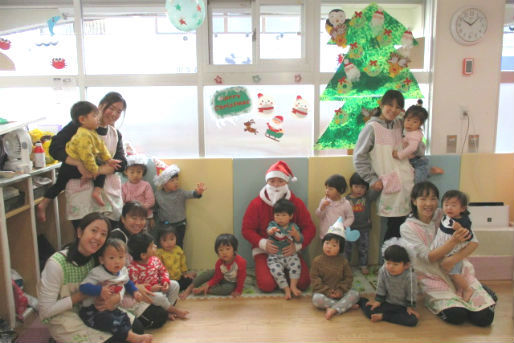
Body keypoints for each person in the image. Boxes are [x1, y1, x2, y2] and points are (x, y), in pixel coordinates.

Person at [38, 212, 147, 343]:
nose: (98, 237)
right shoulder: (56, 264)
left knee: (138, 328)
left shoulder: (98, 257)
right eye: (93, 231)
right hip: (65, 316)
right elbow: (45, 311)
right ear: (79, 232)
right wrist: (79, 296)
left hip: (95, 309)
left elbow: (119, 280)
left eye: (103, 234)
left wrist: (116, 298)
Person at [400, 181, 496, 326]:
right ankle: (479, 294)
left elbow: (473, 242)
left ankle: (480, 291)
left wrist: (453, 259)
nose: (429, 203)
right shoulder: (407, 227)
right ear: (414, 201)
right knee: (457, 316)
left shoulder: (445, 214)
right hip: (432, 276)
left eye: (433, 199)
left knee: (484, 319)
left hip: (458, 272)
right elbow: (429, 257)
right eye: (423, 199)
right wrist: (452, 241)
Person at [48, 92, 129, 229]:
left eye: (119, 111)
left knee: (108, 237)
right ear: (101, 106)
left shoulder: (115, 134)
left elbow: (122, 162)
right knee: (85, 235)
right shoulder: (79, 127)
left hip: (107, 192)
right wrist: (78, 164)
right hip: (82, 191)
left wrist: (99, 170)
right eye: (112, 108)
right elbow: (55, 148)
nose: (114, 114)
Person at [353, 90, 414, 252]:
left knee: (405, 226)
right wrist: (372, 180)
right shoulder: (372, 128)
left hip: (406, 182)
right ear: (382, 105)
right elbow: (359, 157)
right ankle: (390, 265)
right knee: (394, 227)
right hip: (388, 183)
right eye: (390, 105)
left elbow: (414, 133)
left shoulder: (399, 124)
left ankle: (398, 265)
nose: (393, 110)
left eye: (398, 107)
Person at [242, 160, 316, 292]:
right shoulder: (256, 204)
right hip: (264, 251)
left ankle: (286, 279)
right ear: (267, 182)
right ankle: (280, 278)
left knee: (304, 283)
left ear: (287, 182)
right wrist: (263, 243)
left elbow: (310, 228)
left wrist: (298, 246)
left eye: (280, 181)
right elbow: (247, 229)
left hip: (289, 249)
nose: (276, 185)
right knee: (267, 285)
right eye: (272, 181)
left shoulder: (296, 203)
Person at [78, 238, 152, 343]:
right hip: (92, 311)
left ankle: (129, 336)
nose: (117, 261)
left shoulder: (123, 271)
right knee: (110, 321)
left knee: (125, 318)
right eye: (112, 258)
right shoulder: (97, 273)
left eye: (121, 257)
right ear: (102, 260)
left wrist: (135, 292)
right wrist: (99, 290)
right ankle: (133, 337)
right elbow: (83, 287)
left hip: (111, 307)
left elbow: (127, 282)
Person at [358, 238, 419, 327]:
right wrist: (378, 301)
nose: (391, 267)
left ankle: (384, 316)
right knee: (370, 311)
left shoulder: (410, 275)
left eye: (395, 264)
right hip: (386, 302)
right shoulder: (383, 270)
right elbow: (381, 286)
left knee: (412, 320)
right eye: (388, 263)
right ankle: (361, 301)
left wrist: (410, 307)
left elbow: (412, 292)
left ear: (406, 265)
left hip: (402, 306)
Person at [127, 232, 188, 320]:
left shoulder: (155, 260)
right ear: (143, 255)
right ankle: (174, 311)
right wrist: (151, 289)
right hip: (148, 295)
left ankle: (168, 311)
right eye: (152, 246)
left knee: (175, 285)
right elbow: (135, 288)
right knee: (159, 297)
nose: (155, 246)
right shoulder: (132, 269)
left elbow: (163, 271)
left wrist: (165, 282)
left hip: (159, 287)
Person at [431, 190, 477, 301]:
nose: (449, 208)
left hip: (454, 253)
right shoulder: (446, 216)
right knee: (449, 273)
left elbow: (469, 237)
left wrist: (460, 229)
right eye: (446, 205)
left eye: (453, 205)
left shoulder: (463, 221)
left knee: (454, 273)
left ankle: (467, 288)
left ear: (462, 209)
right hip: (444, 250)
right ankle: (459, 289)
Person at [311, 223, 360, 320]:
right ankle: (344, 306)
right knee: (316, 300)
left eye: (334, 245)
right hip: (323, 294)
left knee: (355, 294)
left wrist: (340, 290)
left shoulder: (343, 262)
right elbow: (315, 279)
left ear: (340, 248)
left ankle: (334, 309)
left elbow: (348, 278)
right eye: (327, 243)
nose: (329, 247)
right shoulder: (317, 261)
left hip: (340, 294)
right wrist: (327, 291)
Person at [154, 164, 207, 248]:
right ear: (164, 183)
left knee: (178, 245)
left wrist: (198, 192)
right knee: (163, 245)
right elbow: (155, 208)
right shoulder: (158, 195)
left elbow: (191, 194)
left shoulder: (180, 193)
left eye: (177, 179)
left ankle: (180, 260)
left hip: (179, 224)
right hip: (164, 225)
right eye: (172, 180)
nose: (176, 182)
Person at [392, 100, 443, 184]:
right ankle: (429, 171)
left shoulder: (415, 134)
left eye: (415, 122)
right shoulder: (407, 131)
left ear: (420, 124)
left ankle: (429, 171)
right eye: (408, 120)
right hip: (411, 161)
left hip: (418, 162)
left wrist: (399, 154)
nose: (410, 124)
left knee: (418, 182)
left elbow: (412, 148)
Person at [266, 199, 303, 299]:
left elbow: (300, 240)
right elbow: (268, 232)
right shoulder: (273, 225)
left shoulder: (293, 226)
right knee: (276, 270)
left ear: (291, 216)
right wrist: (271, 231)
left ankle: (293, 286)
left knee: (296, 265)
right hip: (275, 256)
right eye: (277, 215)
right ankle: (286, 289)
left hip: (290, 255)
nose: (280, 218)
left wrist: (296, 234)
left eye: (283, 215)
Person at [344, 173, 379, 275]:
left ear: (366, 189)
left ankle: (363, 265)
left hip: (364, 229)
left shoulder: (367, 198)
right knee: (347, 249)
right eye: (356, 187)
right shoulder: (346, 199)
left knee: (363, 248)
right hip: (349, 229)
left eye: (362, 187)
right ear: (351, 187)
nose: (359, 190)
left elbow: (377, 190)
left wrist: (376, 182)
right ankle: (346, 266)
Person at [155, 224, 197, 299]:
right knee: (162, 290)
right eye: (164, 240)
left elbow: (182, 263)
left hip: (178, 278)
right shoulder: (159, 253)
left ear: (176, 238)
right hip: (166, 281)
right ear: (159, 241)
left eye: (172, 239)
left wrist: (184, 273)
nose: (169, 243)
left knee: (191, 281)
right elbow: (158, 268)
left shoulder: (178, 250)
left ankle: (187, 279)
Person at [315, 174, 354, 239]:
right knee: (326, 249)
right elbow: (319, 216)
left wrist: (343, 226)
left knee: (339, 248)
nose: (327, 191)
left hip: (339, 235)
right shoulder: (324, 201)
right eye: (326, 188)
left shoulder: (345, 204)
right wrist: (322, 208)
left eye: (331, 189)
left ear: (340, 190)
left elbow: (350, 217)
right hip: (325, 234)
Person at [122, 154, 155, 221]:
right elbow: (122, 202)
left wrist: (140, 210)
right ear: (126, 172)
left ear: (143, 172)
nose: (135, 175)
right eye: (132, 172)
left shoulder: (146, 185)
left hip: (145, 215)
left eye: (139, 172)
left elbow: (151, 201)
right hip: (130, 216)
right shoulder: (123, 187)